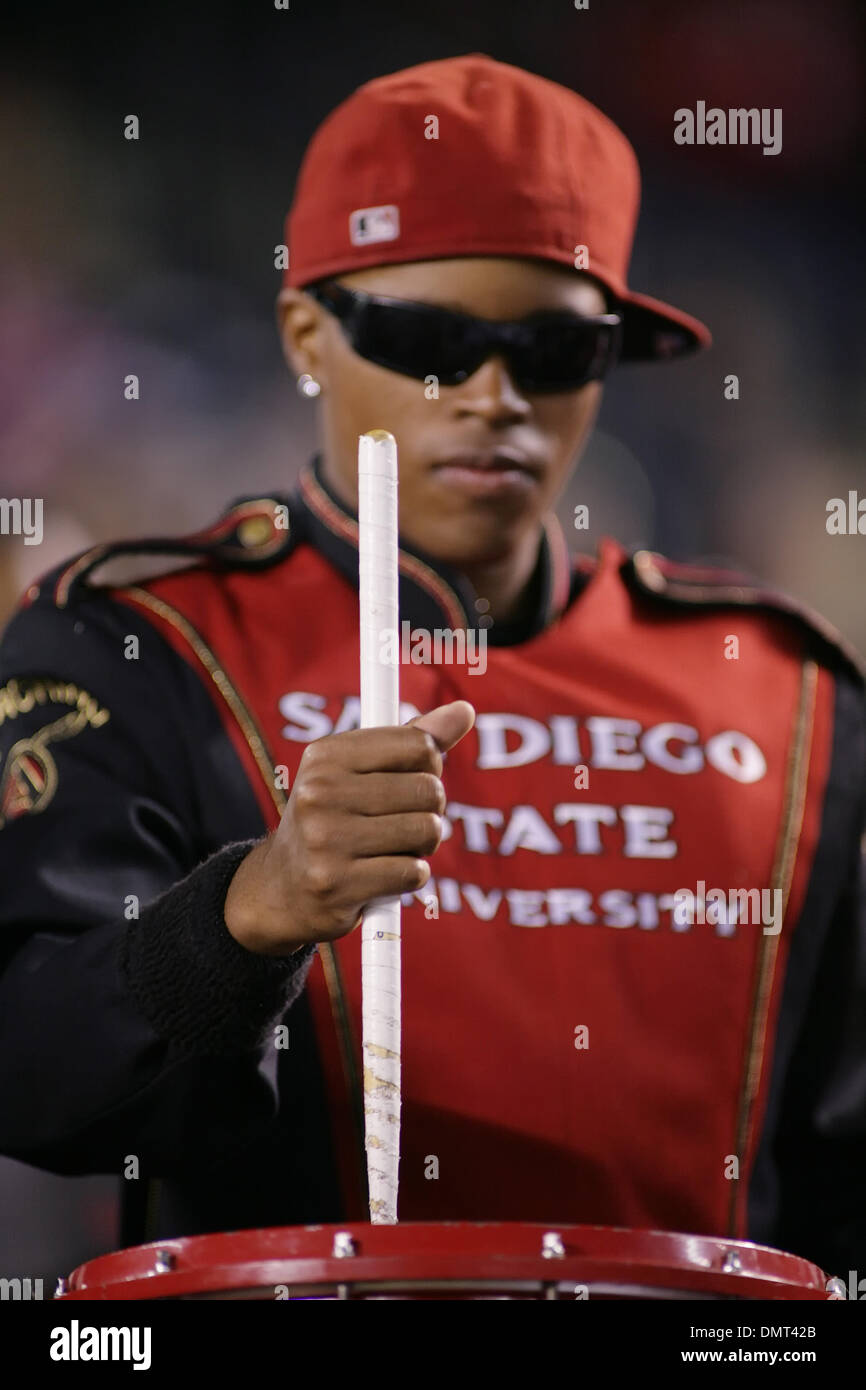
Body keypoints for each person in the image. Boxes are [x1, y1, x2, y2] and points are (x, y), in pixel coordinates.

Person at [0, 53, 863, 1280]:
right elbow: (29, 1071)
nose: (494, 397)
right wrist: (252, 912)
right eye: (428, 340)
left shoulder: (787, 693)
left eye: (554, 352)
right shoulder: (132, 645)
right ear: (307, 331)